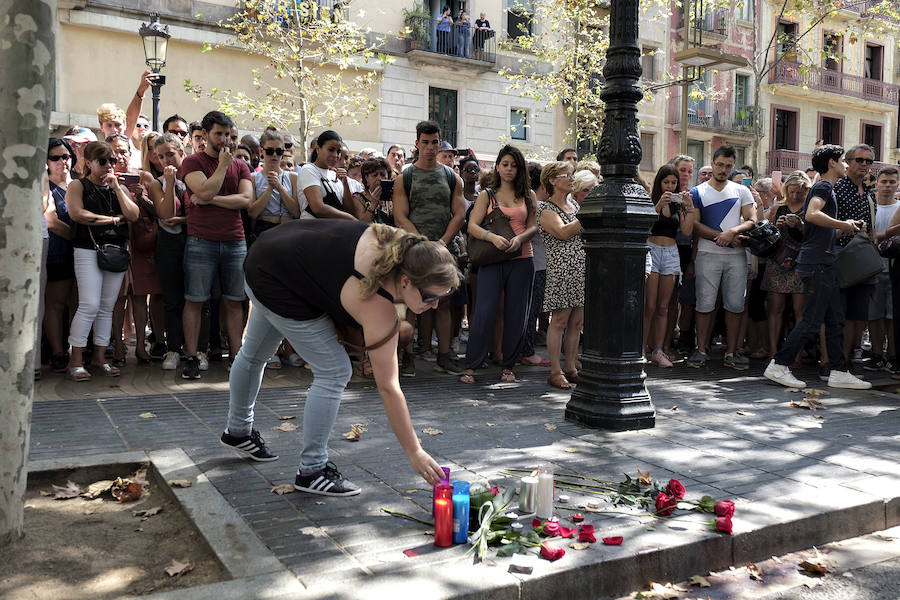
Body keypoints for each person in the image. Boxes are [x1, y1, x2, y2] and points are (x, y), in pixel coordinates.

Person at [222, 220, 459, 495]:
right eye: (430, 297)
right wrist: (415, 452)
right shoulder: (376, 305)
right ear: (406, 281)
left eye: (444, 296)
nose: (435, 305)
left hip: (270, 251)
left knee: (254, 353)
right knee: (334, 371)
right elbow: (389, 387)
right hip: (276, 274)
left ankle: (238, 431)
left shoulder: (405, 248)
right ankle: (312, 471)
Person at [764, 145, 872, 390]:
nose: (847, 165)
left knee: (835, 320)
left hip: (824, 262)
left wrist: (848, 226)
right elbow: (812, 215)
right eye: (843, 161)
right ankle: (778, 366)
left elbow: (815, 229)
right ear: (832, 163)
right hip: (816, 265)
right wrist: (844, 224)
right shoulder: (823, 186)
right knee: (812, 321)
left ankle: (838, 371)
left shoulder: (826, 188)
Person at [179, 111, 253, 379]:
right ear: (207, 134)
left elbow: (245, 200)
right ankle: (190, 356)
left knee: (235, 300)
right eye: (219, 134)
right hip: (201, 241)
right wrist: (221, 167)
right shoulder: (192, 162)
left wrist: (210, 200)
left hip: (235, 241)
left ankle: (236, 357)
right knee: (195, 299)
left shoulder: (241, 166)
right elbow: (205, 189)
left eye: (228, 134)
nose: (225, 140)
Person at [393, 121, 466, 376]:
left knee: (443, 303)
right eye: (425, 142)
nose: (430, 147)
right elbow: (400, 216)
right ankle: (407, 356)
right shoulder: (405, 176)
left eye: (434, 142)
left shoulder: (452, 177)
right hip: (414, 249)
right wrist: (422, 242)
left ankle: (444, 355)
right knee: (410, 305)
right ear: (416, 144)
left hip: (444, 248)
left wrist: (443, 242)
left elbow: (459, 214)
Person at [64, 141, 140, 381]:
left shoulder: (117, 186)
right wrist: (112, 220)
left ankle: (99, 357)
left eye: (112, 161)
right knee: (89, 304)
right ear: (88, 162)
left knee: (107, 306)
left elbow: (133, 214)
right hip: (88, 249)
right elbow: (77, 214)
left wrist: (118, 189)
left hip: (115, 251)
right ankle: (75, 359)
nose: (109, 165)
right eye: (102, 161)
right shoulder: (79, 185)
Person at [460, 145, 536, 384]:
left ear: (520, 168)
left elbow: (534, 226)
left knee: (517, 314)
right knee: (484, 312)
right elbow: (472, 225)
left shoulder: (528, 195)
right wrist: (492, 237)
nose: (509, 169)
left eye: (514, 165)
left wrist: (520, 238)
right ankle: (471, 366)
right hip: (492, 260)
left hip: (523, 260)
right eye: (505, 164)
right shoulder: (487, 195)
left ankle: (508, 366)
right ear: (497, 166)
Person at [683, 146, 757, 370]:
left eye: (728, 166)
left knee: (735, 304)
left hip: (736, 255)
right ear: (713, 163)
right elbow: (694, 224)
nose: (724, 169)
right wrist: (721, 235)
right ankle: (701, 350)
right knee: (704, 304)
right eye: (720, 164)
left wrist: (733, 232)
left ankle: (732, 352)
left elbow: (752, 219)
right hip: (708, 254)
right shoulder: (697, 192)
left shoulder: (741, 191)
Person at [538, 161, 584, 389]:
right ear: (552, 180)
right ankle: (555, 371)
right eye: (565, 174)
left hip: (580, 268)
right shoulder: (544, 209)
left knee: (577, 323)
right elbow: (562, 232)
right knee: (559, 321)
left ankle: (570, 366)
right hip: (560, 269)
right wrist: (587, 215)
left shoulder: (574, 205)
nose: (571, 178)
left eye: (571, 174)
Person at [146, 134, 190, 370]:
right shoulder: (157, 182)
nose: (165, 160)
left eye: (170, 154)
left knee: (195, 297)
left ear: (182, 152)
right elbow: (165, 214)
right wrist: (170, 182)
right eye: (160, 156)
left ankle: (196, 348)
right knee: (171, 299)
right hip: (169, 246)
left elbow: (199, 214)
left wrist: (183, 219)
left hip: (193, 242)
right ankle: (173, 348)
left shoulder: (193, 177)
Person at [644, 165, 694, 367]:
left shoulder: (678, 204)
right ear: (659, 183)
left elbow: (687, 231)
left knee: (664, 306)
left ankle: (658, 350)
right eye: (667, 182)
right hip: (652, 249)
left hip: (671, 252)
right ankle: (641, 349)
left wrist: (688, 207)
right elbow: (645, 226)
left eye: (674, 183)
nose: (671, 187)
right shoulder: (650, 200)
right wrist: (657, 206)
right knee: (650, 305)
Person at [833, 144, 877, 371]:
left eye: (869, 161)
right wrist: (847, 229)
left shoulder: (870, 194)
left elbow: (872, 229)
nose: (864, 165)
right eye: (860, 160)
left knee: (858, 314)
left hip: (864, 259)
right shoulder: (837, 188)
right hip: (841, 256)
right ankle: (835, 361)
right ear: (847, 162)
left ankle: (848, 360)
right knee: (838, 313)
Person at [44, 138, 78, 374]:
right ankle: (57, 353)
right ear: (46, 161)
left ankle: (78, 351)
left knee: (79, 304)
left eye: (65, 156)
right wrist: (80, 239)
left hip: (83, 255)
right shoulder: (44, 185)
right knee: (55, 304)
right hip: (58, 253)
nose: (61, 162)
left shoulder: (78, 183)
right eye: (55, 157)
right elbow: (51, 221)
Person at [865, 166, 900, 372]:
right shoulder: (868, 205)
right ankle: (877, 354)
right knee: (874, 316)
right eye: (884, 181)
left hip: (894, 269)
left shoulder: (899, 207)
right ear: (876, 183)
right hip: (871, 269)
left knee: (892, 315)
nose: (887, 186)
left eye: (892, 182)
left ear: (897, 184)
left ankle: (893, 355)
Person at [248, 130, 302, 242]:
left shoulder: (293, 177)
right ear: (261, 151)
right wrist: (270, 188)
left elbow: (296, 212)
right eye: (269, 151)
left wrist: (279, 186)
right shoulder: (253, 178)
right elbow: (253, 213)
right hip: (263, 230)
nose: (274, 155)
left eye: (278, 151)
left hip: (287, 229)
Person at [298, 130, 356, 219]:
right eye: (331, 150)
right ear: (318, 148)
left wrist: (345, 183)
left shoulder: (335, 175)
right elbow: (317, 208)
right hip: (312, 229)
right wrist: (349, 218)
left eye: (338, 151)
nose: (335, 155)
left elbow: (350, 211)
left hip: (334, 229)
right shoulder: (308, 170)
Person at [352, 157, 393, 224]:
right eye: (375, 175)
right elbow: (362, 224)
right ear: (366, 178)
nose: (379, 178)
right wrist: (373, 204)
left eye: (383, 175)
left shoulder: (392, 197)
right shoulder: (358, 198)